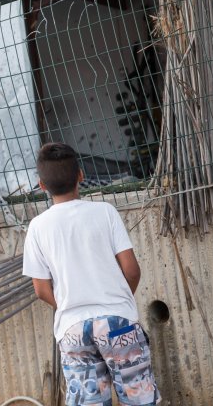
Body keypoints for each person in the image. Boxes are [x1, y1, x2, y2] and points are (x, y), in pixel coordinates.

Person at [22, 142, 160, 406]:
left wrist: (67, 306)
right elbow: (131, 270)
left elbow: (40, 290)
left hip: (73, 329)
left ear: (41, 185)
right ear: (81, 176)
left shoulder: (37, 227)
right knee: (140, 401)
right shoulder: (105, 212)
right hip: (119, 323)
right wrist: (116, 302)